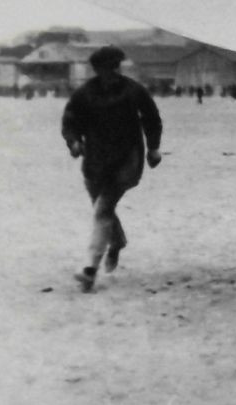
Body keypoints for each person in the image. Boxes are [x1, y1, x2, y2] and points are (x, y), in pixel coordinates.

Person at [61, 46, 163, 292]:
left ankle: (89, 268)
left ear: (117, 67)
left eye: (113, 67)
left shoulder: (133, 90)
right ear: (97, 69)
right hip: (95, 161)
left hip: (127, 159)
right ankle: (117, 241)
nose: (109, 73)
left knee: (103, 208)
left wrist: (153, 148)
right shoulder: (84, 93)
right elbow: (69, 121)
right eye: (103, 69)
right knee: (102, 208)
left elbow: (152, 118)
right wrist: (74, 141)